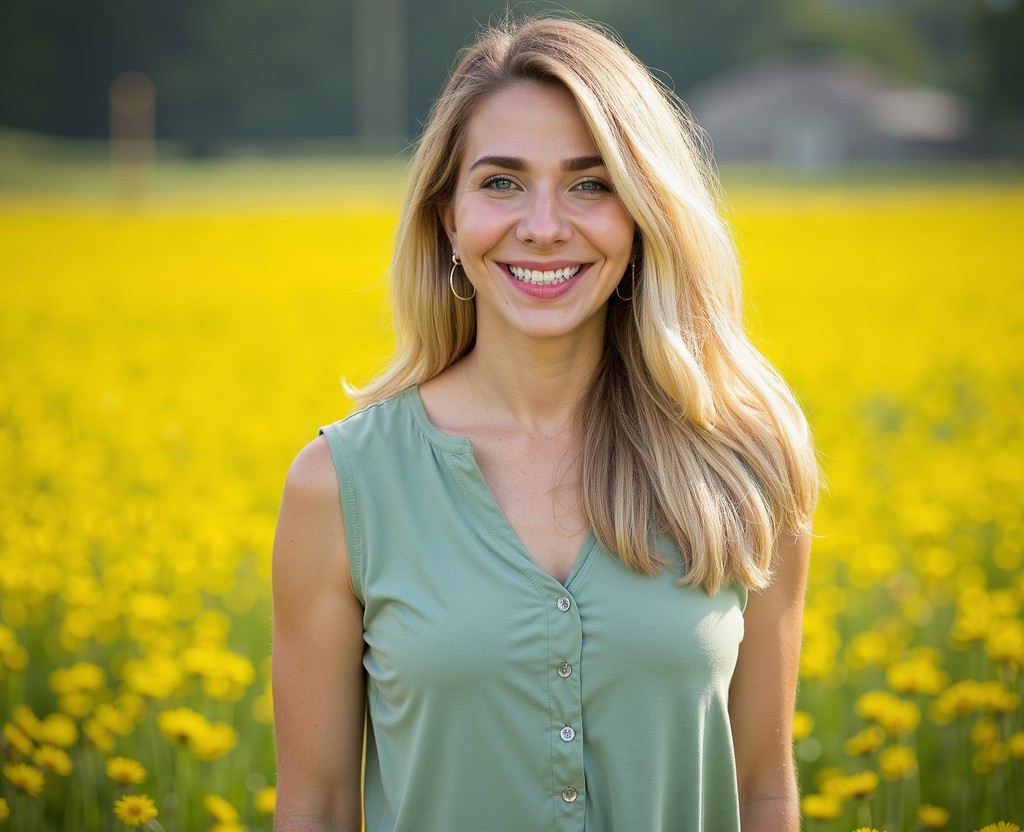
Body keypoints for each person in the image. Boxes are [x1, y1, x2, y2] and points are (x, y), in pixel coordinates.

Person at [271, 15, 818, 832]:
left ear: (642, 215)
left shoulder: (743, 465)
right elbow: (314, 808)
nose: (544, 226)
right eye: (501, 182)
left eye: (591, 184)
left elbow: (764, 790)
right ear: (448, 219)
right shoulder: (341, 487)